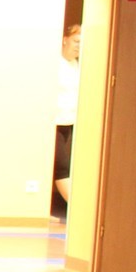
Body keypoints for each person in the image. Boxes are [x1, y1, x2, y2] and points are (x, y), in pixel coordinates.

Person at [54, 22, 80, 213]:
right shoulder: (56, 63)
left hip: (70, 123)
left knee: (69, 167)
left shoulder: (76, 65)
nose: (79, 46)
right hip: (54, 123)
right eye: (76, 41)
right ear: (65, 40)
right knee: (61, 167)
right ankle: (77, 211)